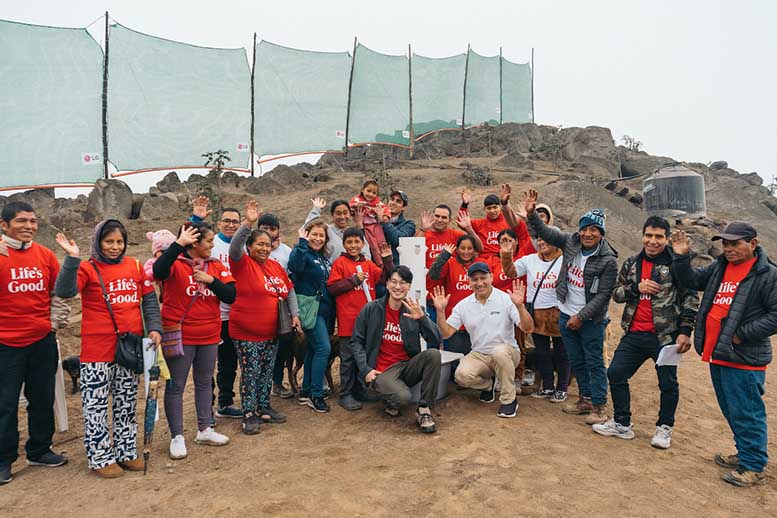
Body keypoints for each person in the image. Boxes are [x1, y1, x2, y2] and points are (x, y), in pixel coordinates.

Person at [53, 220, 162, 478]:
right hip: (97, 353)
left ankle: (125, 452)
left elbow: (148, 300)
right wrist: (72, 258)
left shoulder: (135, 266)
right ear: (98, 242)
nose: (115, 247)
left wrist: (155, 328)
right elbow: (64, 291)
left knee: (125, 404)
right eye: (109, 241)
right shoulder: (88, 268)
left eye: (119, 242)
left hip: (129, 350)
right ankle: (100, 457)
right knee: (96, 407)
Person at [672, 222, 776, 487]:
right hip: (719, 351)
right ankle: (745, 454)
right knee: (732, 409)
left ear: (753, 244)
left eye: (735, 243)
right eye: (725, 244)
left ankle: (753, 466)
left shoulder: (767, 274)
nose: (728, 248)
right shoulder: (721, 266)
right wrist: (683, 256)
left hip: (743, 356)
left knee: (747, 411)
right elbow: (691, 281)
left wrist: (741, 334)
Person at [592, 216, 699, 449]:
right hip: (634, 332)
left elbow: (690, 298)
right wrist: (635, 288)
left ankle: (664, 428)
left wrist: (685, 331)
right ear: (642, 236)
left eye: (659, 236)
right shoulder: (632, 263)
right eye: (648, 235)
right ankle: (622, 423)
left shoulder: (676, 263)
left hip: (666, 337)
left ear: (666, 238)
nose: (653, 241)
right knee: (616, 374)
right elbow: (616, 293)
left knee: (667, 383)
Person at [523, 189, 618, 424]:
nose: (587, 234)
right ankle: (585, 399)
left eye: (593, 230)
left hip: (591, 319)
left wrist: (581, 316)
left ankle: (599, 406)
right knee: (576, 360)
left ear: (601, 233)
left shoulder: (608, 261)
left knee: (594, 362)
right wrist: (532, 214)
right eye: (584, 229)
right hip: (565, 314)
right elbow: (545, 232)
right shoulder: (571, 242)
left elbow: (604, 296)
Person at [153, 221, 236, 459]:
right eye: (209, 241)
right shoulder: (175, 264)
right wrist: (178, 244)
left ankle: (204, 429)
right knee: (176, 385)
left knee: (204, 382)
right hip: (180, 335)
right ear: (194, 243)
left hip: (210, 333)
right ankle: (177, 436)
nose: (212, 245)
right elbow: (158, 271)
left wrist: (211, 281)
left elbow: (231, 295)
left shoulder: (216, 266)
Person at [0, 202, 69, 485]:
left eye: (33, 221)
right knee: (5, 404)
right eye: (21, 221)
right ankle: (3, 459)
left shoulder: (45, 255)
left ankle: (39, 449)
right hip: (6, 345)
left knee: (42, 398)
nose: (29, 226)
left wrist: (52, 325)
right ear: (3, 225)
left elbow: (60, 293)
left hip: (42, 340)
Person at [229, 201, 301, 434]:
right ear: (249, 246)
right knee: (251, 372)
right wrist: (248, 223)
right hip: (247, 332)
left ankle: (263, 406)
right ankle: (249, 412)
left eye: (268, 245)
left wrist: (295, 315)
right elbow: (234, 248)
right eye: (259, 244)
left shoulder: (275, 266)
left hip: (273, 331)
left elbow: (288, 290)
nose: (264, 248)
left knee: (267, 370)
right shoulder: (242, 263)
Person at [432, 262, 534, 418]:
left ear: (491, 277)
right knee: (461, 376)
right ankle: (488, 386)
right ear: (469, 282)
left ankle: (509, 400)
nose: (479, 283)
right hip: (480, 355)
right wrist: (440, 312)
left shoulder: (506, 299)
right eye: (474, 279)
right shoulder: (464, 305)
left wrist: (520, 307)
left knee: (498, 351)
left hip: (507, 353)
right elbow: (446, 334)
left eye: (483, 277)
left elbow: (528, 328)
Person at [350, 266, 443, 433]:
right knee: (403, 397)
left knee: (433, 355)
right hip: (381, 371)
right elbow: (356, 341)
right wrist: (366, 370)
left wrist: (422, 319)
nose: (398, 286)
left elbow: (436, 340)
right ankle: (391, 399)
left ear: (409, 286)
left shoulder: (413, 310)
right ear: (387, 284)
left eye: (403, 283)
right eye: (394, 281)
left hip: (406, 366)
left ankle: (424, 409)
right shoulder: (372, 308)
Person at [189, 196, 244, 420]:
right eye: (227, 220)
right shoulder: (211, 243)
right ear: (219, 223)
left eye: (235, 221)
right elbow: (187, 241)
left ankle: (225, 402)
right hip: (209, 314)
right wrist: (195, 218)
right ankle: (207, 408)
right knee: (206, 366)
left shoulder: (243, 245)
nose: (231, 224)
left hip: (236, 314)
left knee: (229, 363)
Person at [327, 229, 393, 411]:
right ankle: (345, 393)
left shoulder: (369, 264)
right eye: (349, 242)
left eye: (357, 242)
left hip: (368, 321)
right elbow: (332, 288)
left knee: (364, 357)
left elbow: (385, 279)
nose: (353, 246)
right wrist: (353, 280)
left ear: (363, 244)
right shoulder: (340, 263)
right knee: (348, 358)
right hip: (348, 321)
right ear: (344, 244)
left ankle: (360, 389)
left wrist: (387, 260)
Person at [501, 231, 569, 403]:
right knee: (542, 352)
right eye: (538, 238)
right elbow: (511, 273)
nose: (541, 242)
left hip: (560, 311)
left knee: (562, 352)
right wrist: (507, 254)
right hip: (537, 314)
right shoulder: (529, 260)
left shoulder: (565, 259)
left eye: (545, 238)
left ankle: (562, 388)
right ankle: (547, 386)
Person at [288, 219, 335, 413]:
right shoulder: (303, 254)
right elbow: (294, 268)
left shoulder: (322, 257)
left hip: (324, 310)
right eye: (313, 234)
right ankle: (316, 394)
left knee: (314, 351)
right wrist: (301, 244)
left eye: (321, 235)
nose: (317, 238)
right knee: (324, 348)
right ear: (307, 234)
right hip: (310, 311)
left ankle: (306, 391)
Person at [418, 204, 483, 340]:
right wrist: (423, 229)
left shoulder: (455, 236)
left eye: (444, 217)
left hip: (447, 299)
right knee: (429, 338)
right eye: (437, 216)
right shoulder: (426, 235)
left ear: (449, 220)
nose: (440, 220)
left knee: (448, 339)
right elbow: (413, 248)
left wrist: (468, 229)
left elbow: (478, 247)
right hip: (426, 296)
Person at [258, 212, 297, 400]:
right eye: (264, 228)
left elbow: (290, 283)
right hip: (258, 310)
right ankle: (258, 389)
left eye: (272, 228)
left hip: (281, 310)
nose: (268, 232)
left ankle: (277, 382)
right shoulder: (250, 250)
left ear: (278, 231)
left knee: (281, 348)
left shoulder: (286, 252)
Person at [428, 235, 481, 352]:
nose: (466, 252)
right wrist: (444, 255)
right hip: (454, 322)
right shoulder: (451, 263)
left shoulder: (480, 264)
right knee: (455, 361)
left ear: (474, 250)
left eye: (470, 248)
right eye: (462, 248)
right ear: (457, 249)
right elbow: (432, 275)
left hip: (476, 322)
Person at [459, 187, 533, 259]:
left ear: (500, 207)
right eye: (489, 208)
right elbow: (462, 221)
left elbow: (522, 233)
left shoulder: (509, 222)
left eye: (495, 207)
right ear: (484, 209)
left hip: (506, 259)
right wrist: (464, 205)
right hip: (485, 262)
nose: (492, 211)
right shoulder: (478, 224)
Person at [305, 197, 371, 261]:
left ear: (350, 214)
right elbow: (307, 228)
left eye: (345, 213)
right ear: (332, 215)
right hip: (331, 271)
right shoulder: (326, 230)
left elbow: (366, 255)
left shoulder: (355, 233)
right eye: (338, 213)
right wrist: (316, 209)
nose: (342, 217)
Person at [349, 179, 390, 266]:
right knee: (372, 246)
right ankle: (377, 263)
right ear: (363, 190)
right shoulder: (357, 200)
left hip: (376, 225)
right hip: (365, 227)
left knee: (381, 243)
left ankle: (385, 261)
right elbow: (350, 208)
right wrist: (356, 206)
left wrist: (385, 216)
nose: (370, 194)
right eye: (368, 191)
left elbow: (385, 209)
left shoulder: (377, 203)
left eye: (374, 193)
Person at [381, 190, 416, 265]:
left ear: (404, 207)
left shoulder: (409, 225)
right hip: (377, 267)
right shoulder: (377, 220)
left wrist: (386, 222)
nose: (393, 202)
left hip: (395, 269)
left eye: (398, 201)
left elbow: (399, 240)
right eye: (392, 199)